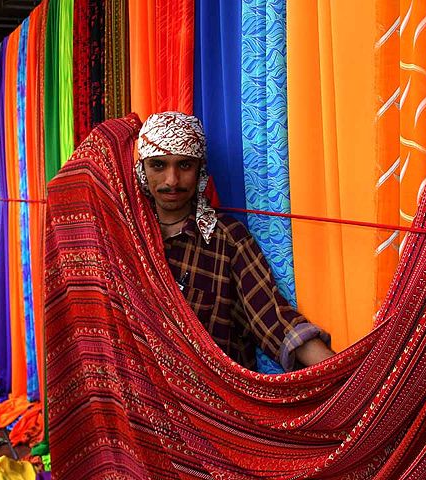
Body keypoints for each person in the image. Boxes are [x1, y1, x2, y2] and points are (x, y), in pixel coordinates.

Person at [135, 111, 334, 371]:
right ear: (142, 170)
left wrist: (345, 380)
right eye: (158, 165)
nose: (172, 180)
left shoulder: (226, 238)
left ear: (200, 171)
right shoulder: (127, 235)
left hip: (210, 401)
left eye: (184, 165)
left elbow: (272, 318)